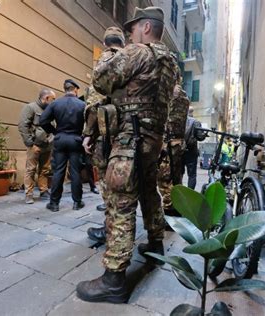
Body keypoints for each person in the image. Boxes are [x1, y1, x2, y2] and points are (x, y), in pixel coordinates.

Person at [76, 6, 178, 303]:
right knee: (149, 194)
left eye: (134, 29)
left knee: (120, 204)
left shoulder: (139, 53)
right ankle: (155, 245)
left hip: (129, 141)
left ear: (146, 27)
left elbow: (101, 79)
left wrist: (109, 55)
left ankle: (114, 280)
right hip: (152, 141)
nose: (131, 34)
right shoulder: (170, 63)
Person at [82, 26, 126, 244]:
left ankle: (110, 230)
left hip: (106, 135)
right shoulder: (131, 60)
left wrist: (88, 134)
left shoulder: (104, 61)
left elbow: (93, 103)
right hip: (129, 135)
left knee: (108, 185)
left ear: (106, 42)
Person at [39, 79, 85, 212]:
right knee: (75, 171)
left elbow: (42, 120)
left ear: (65, 89)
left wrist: (54, 131)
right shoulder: (82, 104)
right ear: (75, 89)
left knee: (58, 171)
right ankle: (77, 202)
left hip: (60, 139)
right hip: (76, 139)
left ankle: (54, 203)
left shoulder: (55, 103)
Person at [18, 88, 56, 204]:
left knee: (45, 169)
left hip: (48, 145)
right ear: (46, 98)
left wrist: (52, 139)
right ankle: (29, 194)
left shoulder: (51, 110)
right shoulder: (30, 108)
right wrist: (30, 143)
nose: (54, 101)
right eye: (53, 99)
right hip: (35, 145)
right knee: (31, 170)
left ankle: (43, 190)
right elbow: (23, 126)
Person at [157, 83, 189, 216]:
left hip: (168, 142)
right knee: (177, 177)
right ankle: (178, 208)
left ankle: (170, 212)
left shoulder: (168, 92)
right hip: (179, 142)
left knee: (165, 179)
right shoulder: (184, 96)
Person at [182, 106, 206, 190]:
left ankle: (178, 194)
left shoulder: (179, 121)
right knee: (192, 175)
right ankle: (190, 194)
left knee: (178, 173)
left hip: (179, 151)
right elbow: (200, 137)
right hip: (191, 151)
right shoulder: (196, 122)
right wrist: (204, 134)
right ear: (192, 112)